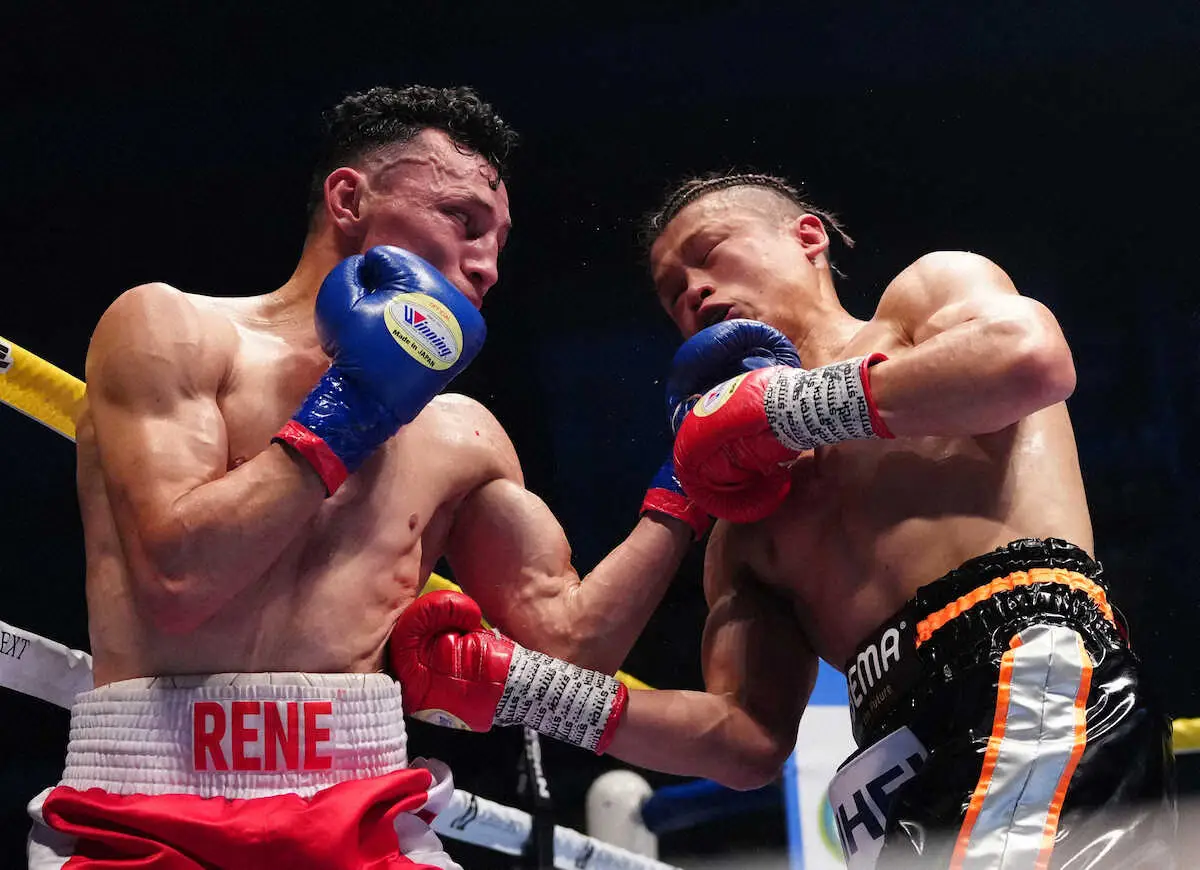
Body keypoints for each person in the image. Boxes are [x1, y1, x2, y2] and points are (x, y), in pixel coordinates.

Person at [396, 173, 1177, 868]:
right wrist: (528, 690)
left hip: (1028, 675)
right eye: (671, 293)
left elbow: (1031, 360)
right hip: (903, 761)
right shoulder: (746, 528)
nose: (692, 291)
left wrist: (790, 408)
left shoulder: (922, 303)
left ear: (807, 238)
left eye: (709, 254)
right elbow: (746, 742)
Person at [26, 86, 707, 870]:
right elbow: (178, 583)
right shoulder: (173, 330)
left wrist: (687, 483)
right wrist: (352, 407)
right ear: (349, 199)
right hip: (148, 808)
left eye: (499, 240)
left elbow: (571, 652)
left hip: (361, 808)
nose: (487, 264)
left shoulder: (463, 434)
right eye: (462, 220)